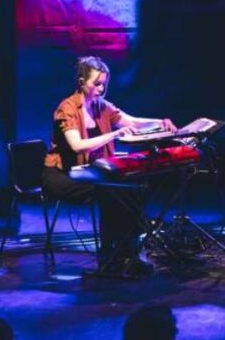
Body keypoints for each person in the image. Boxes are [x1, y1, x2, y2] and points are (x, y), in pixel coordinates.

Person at [42, 56, 178, 276]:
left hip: (89, 172)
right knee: (110, 190)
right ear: (81, 81)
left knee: (128, 188)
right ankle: (113, 256)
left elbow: (131, 121)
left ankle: (126, 254)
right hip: (62, 175)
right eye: (96, 84)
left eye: (104, 84)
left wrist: (159, 122)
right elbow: (77, 146)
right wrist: (114, 134)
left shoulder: (100, 106)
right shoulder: (66, 108)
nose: (101, 88)